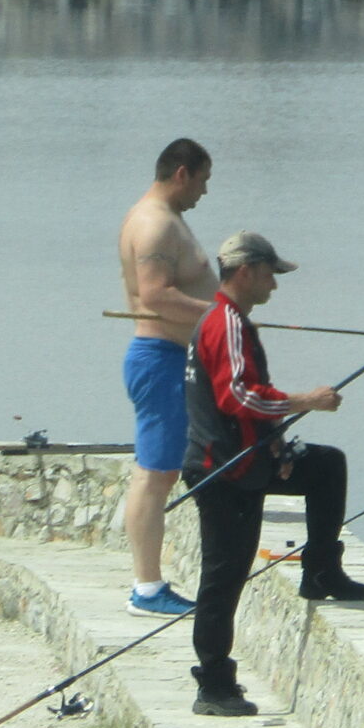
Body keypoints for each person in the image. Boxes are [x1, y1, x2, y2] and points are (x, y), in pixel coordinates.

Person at [182, 230, 364, 718]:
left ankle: (321, 570)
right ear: (246, 272)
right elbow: (237, 397)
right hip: (222, 472)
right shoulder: (225, 323)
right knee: (223, 578)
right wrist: (306, 401)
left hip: (248, 460)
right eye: (270, 274)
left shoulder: (234, 322)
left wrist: (279, 446)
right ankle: (214, 685)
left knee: (325, 465)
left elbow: (249, 401)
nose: (275, 285)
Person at [117, 138, 218, 618]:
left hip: (174, 358)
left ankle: (149, 583)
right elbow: (156, 296)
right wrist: (226, 315)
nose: (203, 192)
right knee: (155, 473)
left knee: (162, 471)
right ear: (182, 172)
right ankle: (147, 588)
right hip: (159, 358)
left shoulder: (167, 219)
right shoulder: (155, 224)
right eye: (202, 180)